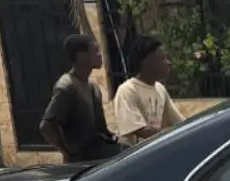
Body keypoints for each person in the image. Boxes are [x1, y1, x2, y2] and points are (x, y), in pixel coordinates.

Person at [40, 34, 120, 164]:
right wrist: (66, 152)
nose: (100, 55)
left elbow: (100, 128)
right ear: (81, 56)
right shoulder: (67, 86)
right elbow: (47, 125)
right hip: (82, 160)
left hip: (99, 154)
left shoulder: (94, 88)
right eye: (95, 51)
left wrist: (111, 136)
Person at [112, 36, 184, 146]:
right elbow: (139, 130)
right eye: (162, 58)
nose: (168, 62)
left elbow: (177, 121)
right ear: (145, 62)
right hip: (138, 156)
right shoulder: (128, 90)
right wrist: (171, 134)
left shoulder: (160, 89)